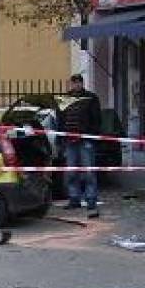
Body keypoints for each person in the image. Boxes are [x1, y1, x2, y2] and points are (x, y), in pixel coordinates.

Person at [56, 73, 103, 217]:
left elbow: (97, 119)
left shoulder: (90, 98)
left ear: (82, 84)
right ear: (71, 84)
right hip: (70, 140)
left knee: (89, 171)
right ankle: (74, 198)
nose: (76, 85)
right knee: (71, 172)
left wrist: (91, 135)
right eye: (74, 82)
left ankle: (91, 199)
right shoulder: (65, 99)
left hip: (85, 140)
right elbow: (60, 118)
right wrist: (62, 137)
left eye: (78, 82)